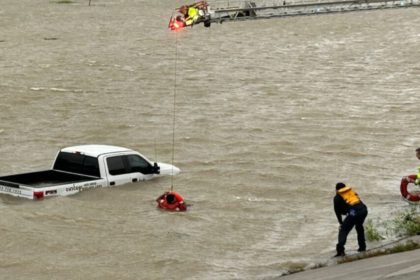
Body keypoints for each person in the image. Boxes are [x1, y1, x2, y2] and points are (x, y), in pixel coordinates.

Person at [333, 182, 368, 257]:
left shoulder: (337, 197)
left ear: (336, 190)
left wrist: (341, 223)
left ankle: (340, 251)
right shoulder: (351, 192)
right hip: (364, 210)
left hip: (354, 213)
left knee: (343, 230)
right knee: (359, 226)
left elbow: (337, 212)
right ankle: (362, 247)